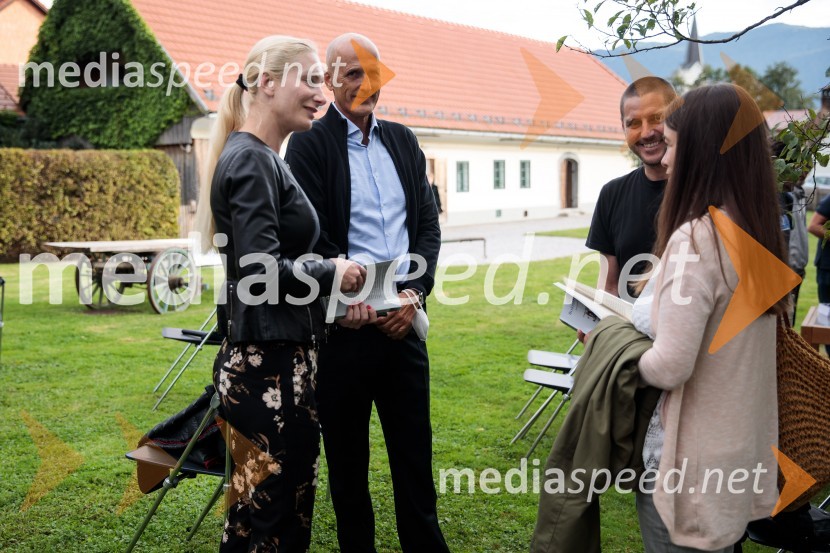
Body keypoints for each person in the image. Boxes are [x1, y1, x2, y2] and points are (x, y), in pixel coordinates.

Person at [193, 35, 368, 551]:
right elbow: (260, 271)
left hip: (268, 363)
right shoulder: (252, 160)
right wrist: (331, 269)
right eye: (312, 79)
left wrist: (329, 305)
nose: (324, 93)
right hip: (269, 370)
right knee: (278, 522)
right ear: (265, 83)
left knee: (253, 519)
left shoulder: (261, 156)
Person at [285, 33, 448, 553]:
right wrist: (341, 294)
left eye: (372, 71)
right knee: (348, 464)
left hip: (403, 322)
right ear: (330, 80)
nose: (365, 83)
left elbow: (426, 226)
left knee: (414, 458)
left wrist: (415, 293)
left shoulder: (403, 139)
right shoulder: (309, 143)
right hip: (345, 328)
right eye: (352, 73)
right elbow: (310, 235)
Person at [633, 83, 783, 552]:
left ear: (701, 152)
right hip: (737, 455)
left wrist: (622, 356)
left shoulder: (697, 239)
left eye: (673, 144)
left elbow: (672, 364)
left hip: (689, 467)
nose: (665, 159)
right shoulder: (753, 235)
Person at [586, 77, 677, 299]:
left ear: (677, 118)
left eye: (657, 118)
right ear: (623, 127)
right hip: (628, 332)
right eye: (634, 123)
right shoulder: (612, 195)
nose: (646, 133)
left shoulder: (706, 190)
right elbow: (608, 287)